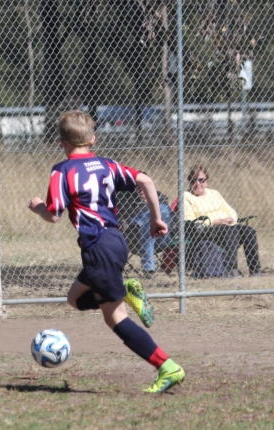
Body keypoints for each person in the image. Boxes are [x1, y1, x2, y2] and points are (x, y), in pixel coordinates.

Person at [27, 110, 185, 394]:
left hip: (97, 249)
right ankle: (124, 288)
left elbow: (52, 215)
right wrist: (155, 218)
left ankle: (167, 367)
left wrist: (37, 205)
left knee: (116, 319)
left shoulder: (61, 171)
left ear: (62, 142)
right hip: (116, 240)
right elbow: (146, 180)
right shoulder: (106, 164)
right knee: (74, 298)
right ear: (93, 139)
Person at [182, 164, 261, 277]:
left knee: (249, 231)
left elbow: (230, 210)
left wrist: (231, 218)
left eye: (201, 180)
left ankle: (255, 270)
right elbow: (190, 221)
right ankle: (231, 268)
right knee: (231, 231)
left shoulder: (214, 193)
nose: (198, 184)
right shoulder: (186, 196)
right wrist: (213, 222)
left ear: (206, 180)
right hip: (207, 229)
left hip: (227, 224)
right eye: (193, 181)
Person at [120, 188, 173, 279]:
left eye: (143, 188)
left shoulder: (161, 201)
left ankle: (151, 218)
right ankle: (149, 269)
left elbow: (171, 220)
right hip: (137, 240)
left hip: (163, 239)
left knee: (162, 209)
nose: (141, 191)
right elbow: (126, 223)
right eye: (138, 189)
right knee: (148, 224)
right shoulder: (129, 203)